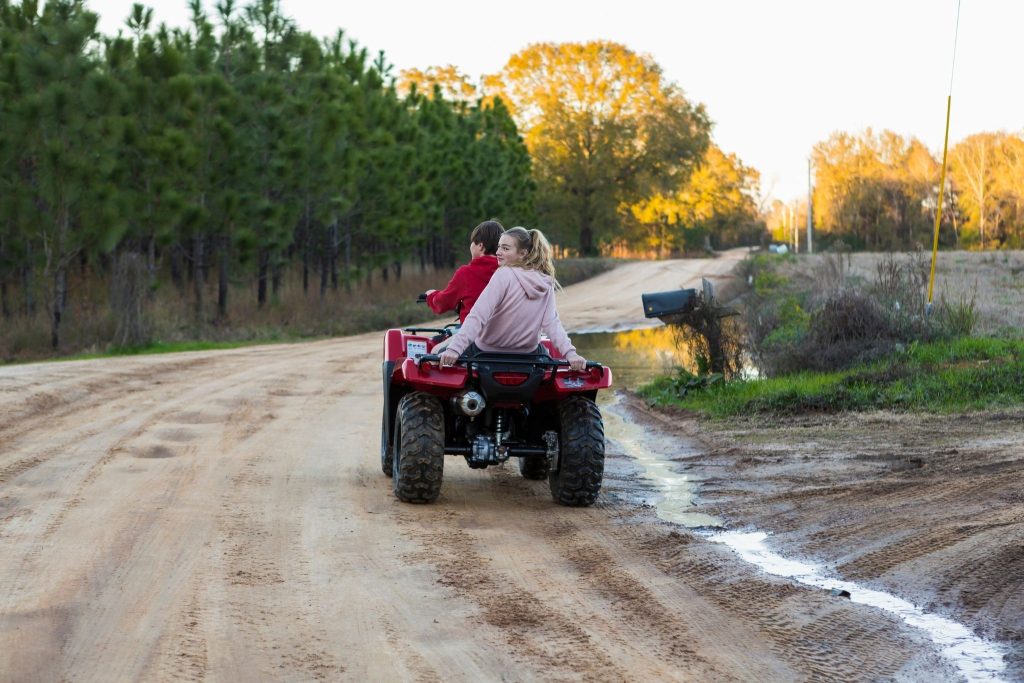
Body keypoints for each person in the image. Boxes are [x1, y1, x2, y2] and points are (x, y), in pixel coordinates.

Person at [438, 226, 588, 372]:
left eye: (505, 248)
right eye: (498, 247)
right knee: (548, 359)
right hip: (528, 355)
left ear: (522, 253)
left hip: (487, 351)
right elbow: (551, 324)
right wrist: (570, 354)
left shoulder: (503, 274)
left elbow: (478, 315)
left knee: (435, 357)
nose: (498, 252)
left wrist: (454, 349)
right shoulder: (545, 281)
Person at [424, 220, 504, 323]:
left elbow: (443, 302)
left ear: (480, 245)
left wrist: (431, 296)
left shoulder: (466, 273)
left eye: (472, 242)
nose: (471, 246)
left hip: (474, 336)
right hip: (504, 335)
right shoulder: (509, 271)